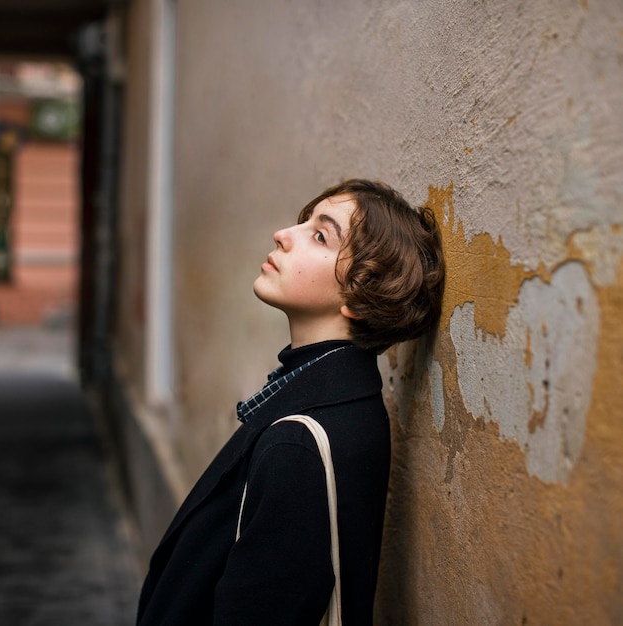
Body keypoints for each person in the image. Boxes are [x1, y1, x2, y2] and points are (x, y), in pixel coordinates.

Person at [136, 179, 445, 626]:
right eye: (304, 222)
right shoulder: (332, 399)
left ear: (362, 294)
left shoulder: (298, 446)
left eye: (320, 235)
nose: (284, 233)